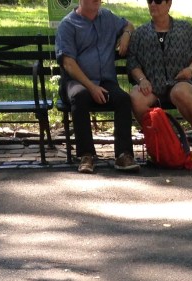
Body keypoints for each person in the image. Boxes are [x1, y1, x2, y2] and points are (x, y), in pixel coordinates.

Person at [55, 0, 138, 174]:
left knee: (123, 99)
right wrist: (91, 87)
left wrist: (126, 34)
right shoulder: (68, 25)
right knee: (80, 96)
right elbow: (68, 63)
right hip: (76, 81)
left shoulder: (107, 17)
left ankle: (123, 155)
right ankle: (86, 155)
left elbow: (128, 24)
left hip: (105, 81)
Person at [128, 0, 192, 164]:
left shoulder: (185, 29)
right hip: (153, 85)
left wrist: (191, 70)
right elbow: (132, 61)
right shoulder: (140, 33)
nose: (153, 4)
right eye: (149, 1)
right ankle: (161, 142)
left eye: (158, 1)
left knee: (179, 93)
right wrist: (142, 79)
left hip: (181, 82)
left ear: (169, 3)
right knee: (136, 97)